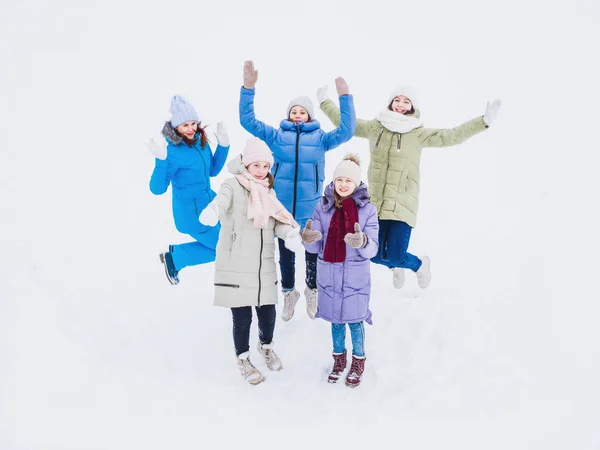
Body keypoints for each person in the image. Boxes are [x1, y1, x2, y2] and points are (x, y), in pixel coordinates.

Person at [318, 85, 501, 289]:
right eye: (397, 100)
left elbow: (452, 136)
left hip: (402, 203)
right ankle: (396, 266)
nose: (401, 105)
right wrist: (325, 102)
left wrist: (483, 122)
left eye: (406, 101)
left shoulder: (417, 133)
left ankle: (419, 265)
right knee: (375, 256)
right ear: (391, 102)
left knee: (396, 255)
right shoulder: (375, 127)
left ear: (412, 106)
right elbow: (346, 125)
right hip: (376, 204)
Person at [239, 60, 356, 322]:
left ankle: (312, 291)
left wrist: (345, 97)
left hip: (310, 209)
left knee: (312, 252)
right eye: (294, 111)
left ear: (310, 116)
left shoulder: (321, 139)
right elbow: (248, 121)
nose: (297, 115)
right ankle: (289, 293)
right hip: (281, 209)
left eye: (302, 112)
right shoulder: (277, 136)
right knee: (286, 254)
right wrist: (248, 88)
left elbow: (348, 130)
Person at [208, 138, 303, 385]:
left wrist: (290, 234)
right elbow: (222, 200)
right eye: (256, 165)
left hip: (263, 268)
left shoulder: (268, 193)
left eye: (265, 166)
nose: (261, 170)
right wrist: (214, 210)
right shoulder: (232, 185)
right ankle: (243, 358)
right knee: (242, 319)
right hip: (238, 265)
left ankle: (266, 347)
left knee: (268, 315)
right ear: (246, 164)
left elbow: (279, 222)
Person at [300, 154, 379, 388]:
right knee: (335, 322)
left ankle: (358, 360)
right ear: (333, 182)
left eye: (349, 181)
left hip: (355, 276)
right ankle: (338, 360)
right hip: (330, 275)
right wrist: (308, 239)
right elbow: (315, 246)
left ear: (357, 184)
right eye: (339, 180)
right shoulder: (322, 208)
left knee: (355, 321)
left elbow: (373, 247)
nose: (343, 184)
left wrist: (362, 240)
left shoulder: (368, 211)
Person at [147, 95, 229, 285]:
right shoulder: (172, 152)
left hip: (209, 205)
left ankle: (175, 257)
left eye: (193, 123)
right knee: (223, 248)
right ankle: (175, 259)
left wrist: (223, 146)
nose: (191, 129)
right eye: (185, 125)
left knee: (229, 241)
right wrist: (160, 160)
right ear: (176, 128)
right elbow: (157, 189)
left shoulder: (200, 142)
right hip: (192, 214)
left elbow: (213, 171)